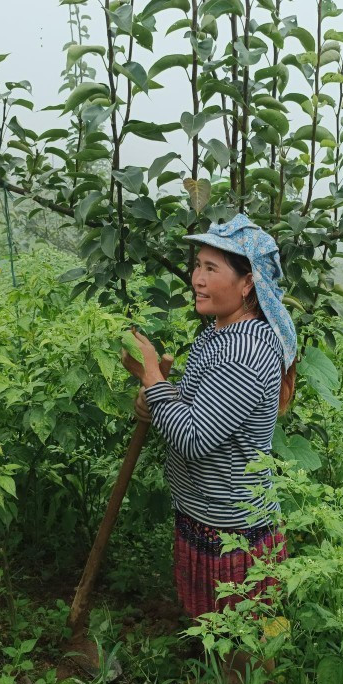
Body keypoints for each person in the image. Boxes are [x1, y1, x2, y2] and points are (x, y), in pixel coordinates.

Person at [121, 214, 297, 629]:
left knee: (246, 641)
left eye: (211, 268)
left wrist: (152, 375)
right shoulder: (220, 333)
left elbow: (195, 437)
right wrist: (157, 397)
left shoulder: (247, 351)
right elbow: (199, 409)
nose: (197, 278)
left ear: (247, 283)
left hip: (234, 526)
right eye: (197, 265)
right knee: (217, 631)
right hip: (207, 513)